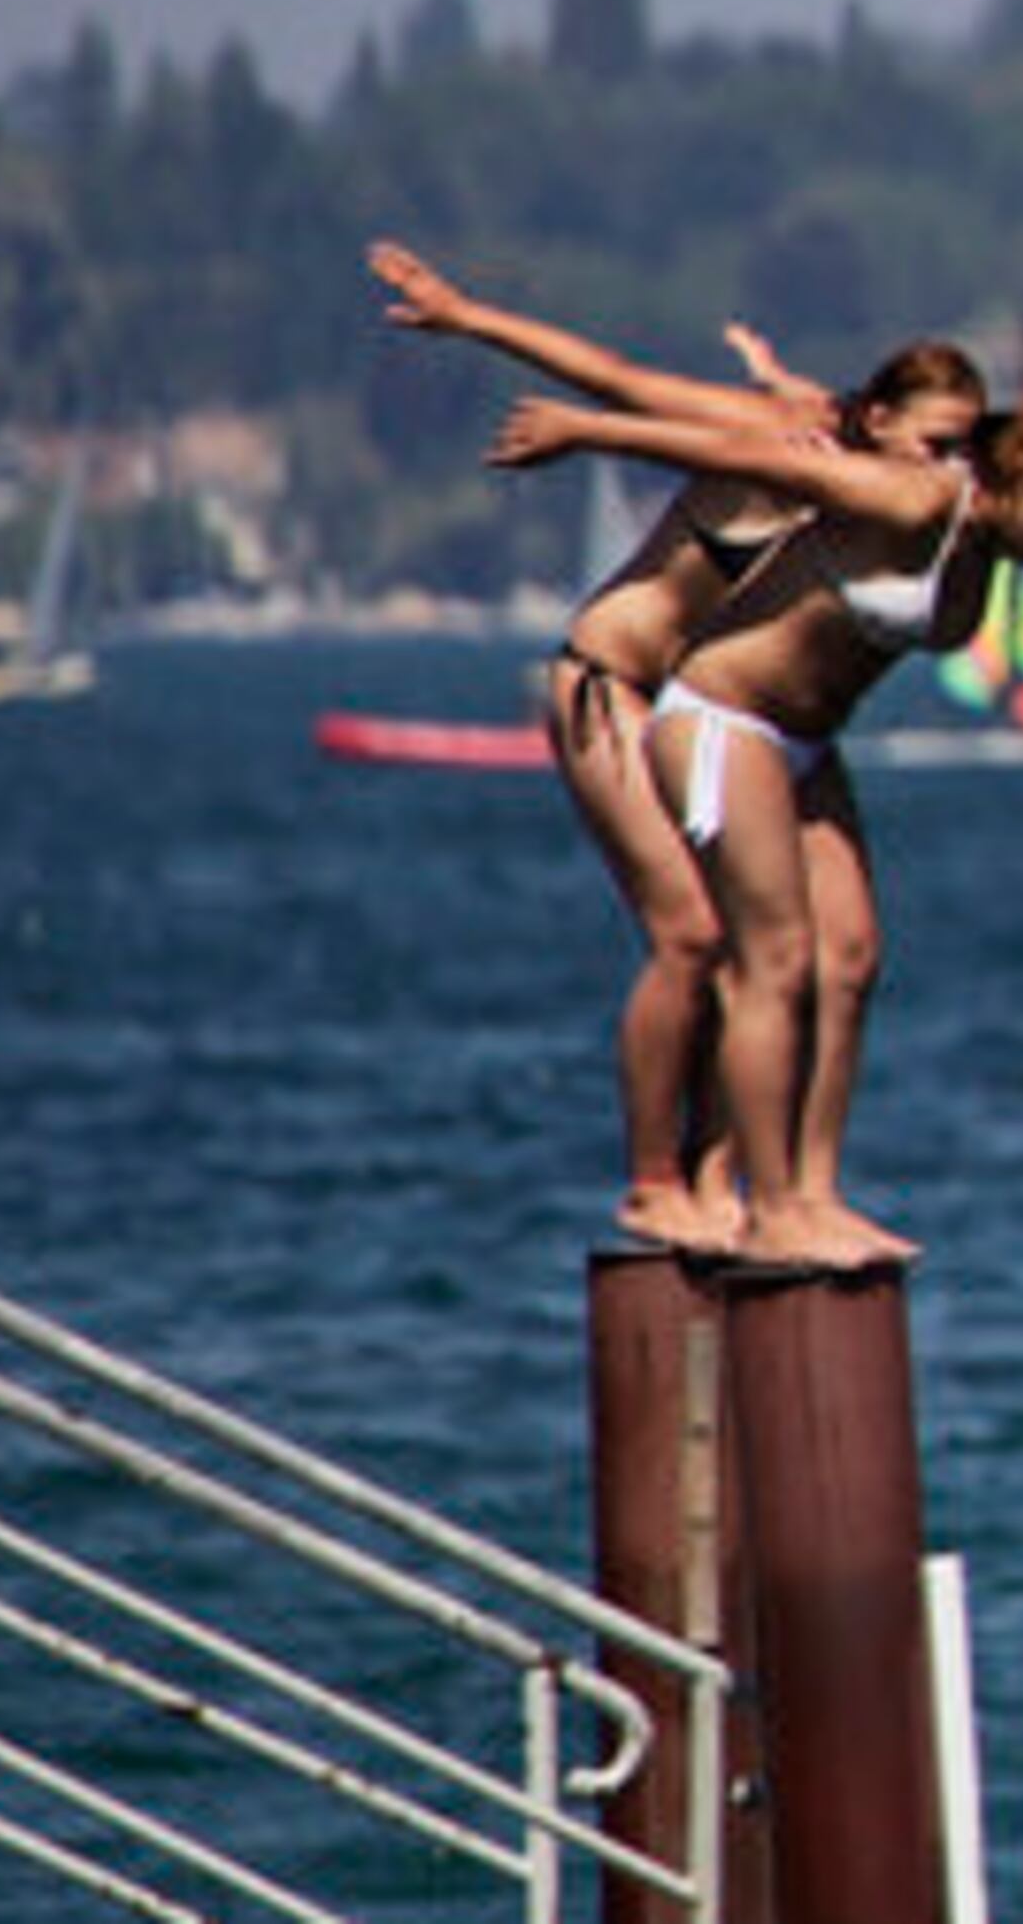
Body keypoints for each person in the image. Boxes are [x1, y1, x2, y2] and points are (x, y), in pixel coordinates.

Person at [369, 242, 988, 1253]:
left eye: (961, 450)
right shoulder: (780, 439)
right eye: (932, 444)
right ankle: (655, 1181)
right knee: (694, 933)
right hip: (611, 690)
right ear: (878, 421)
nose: (945, 467)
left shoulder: (894, 484)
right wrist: (472, 317)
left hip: (716, 714)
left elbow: (956, 456)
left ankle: (733, 1182)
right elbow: (620, 381)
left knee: (796, 950)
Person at [487, 387, 1023, 1268]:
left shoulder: (978, 540)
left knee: (852, 958)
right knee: (776, 963)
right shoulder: (917, 500)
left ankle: (816, 1193)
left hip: (802, 740)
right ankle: (770, 1207)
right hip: (724, 723)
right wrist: (584, 432)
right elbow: (759, 458)